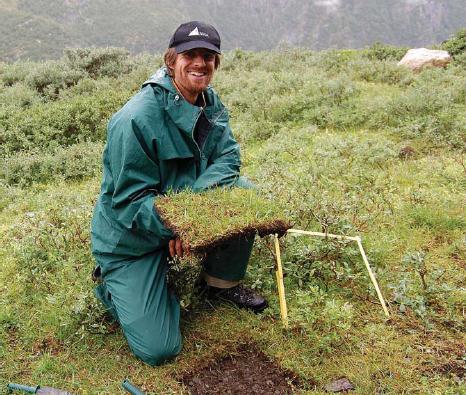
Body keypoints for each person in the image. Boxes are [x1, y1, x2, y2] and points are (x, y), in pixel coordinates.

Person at [90, 21, 267, 366]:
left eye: (208, 56)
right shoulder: (135, 119)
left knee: (243, 194)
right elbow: (128, 202)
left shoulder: (209, 103)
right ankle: (112, 285)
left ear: (216, 63)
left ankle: (220, 285)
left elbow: (229, 157)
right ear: (172, 60)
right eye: (190, 55)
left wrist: (190, 218)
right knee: (160, 350)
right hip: (133, 241)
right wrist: (179, 224)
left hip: (172, 219)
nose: (200, 63)